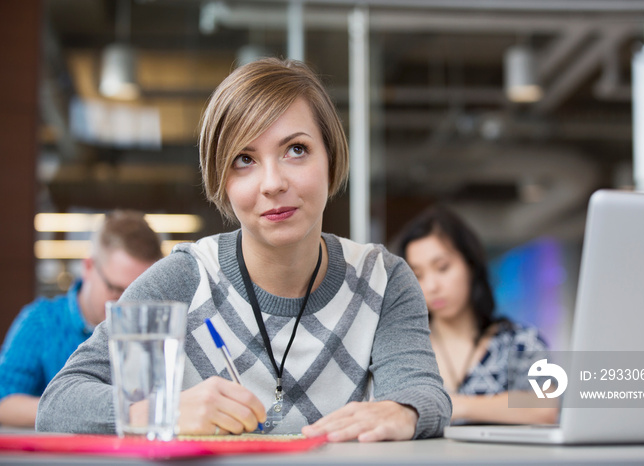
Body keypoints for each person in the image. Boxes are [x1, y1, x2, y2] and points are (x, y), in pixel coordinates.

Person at [36, 58, 451, 442]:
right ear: (222, 181)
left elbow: (422, 391)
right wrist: (166, 411)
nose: (272, 183)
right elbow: (59, 404)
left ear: (331, 156)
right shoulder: (185, 279)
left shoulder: (384, 279)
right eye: (244, 159)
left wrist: (404, 410)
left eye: (296, 150)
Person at [394, 206, 559, 425]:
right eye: (417, 275)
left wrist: (453, 405)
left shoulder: (520, 342)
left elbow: (545, 409)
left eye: (442, 268)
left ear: (470, 264)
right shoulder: (402, 351)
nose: (431, 286)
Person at [0, 210, 162, 428]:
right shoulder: (41, 322)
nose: (126, 307)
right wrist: (78, 411)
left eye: (140, 295)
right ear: (87, 267)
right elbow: (4, 402)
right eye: (116, 290)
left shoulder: (158, 331)